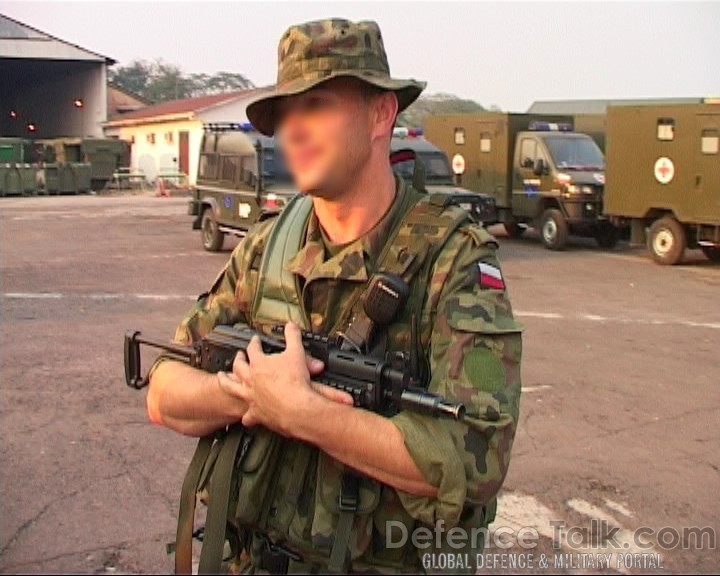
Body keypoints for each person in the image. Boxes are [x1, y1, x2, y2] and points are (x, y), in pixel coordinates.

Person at [147, 18, 522, 574]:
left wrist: (306, 414)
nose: (293, 131)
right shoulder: (268, 246)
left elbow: (477, 456)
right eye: (284, 115)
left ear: (380, 114)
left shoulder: (453, 258)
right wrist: (250, 394)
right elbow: (163, 388)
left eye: (316, 105)